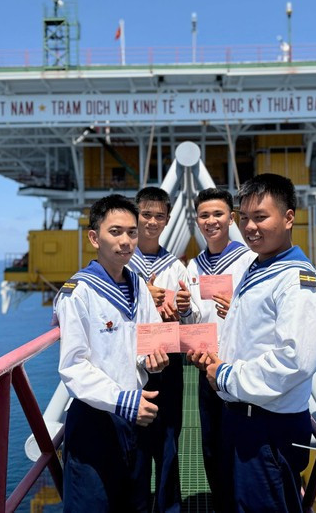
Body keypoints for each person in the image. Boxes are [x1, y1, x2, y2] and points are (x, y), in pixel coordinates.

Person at [196, 173, 316, 512]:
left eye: (261, 217)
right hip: (244, 417)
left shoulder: (296, 281)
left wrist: (226, 375)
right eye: (245, 218)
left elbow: (296, 360)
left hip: (266, 428)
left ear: (288, 218)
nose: (250, 227)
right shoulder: (261, 267)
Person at [54, 194, 170, 511]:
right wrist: (123, 400)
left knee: (136, 504)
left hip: (135, 417)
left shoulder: (137, 286)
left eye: (132, 232)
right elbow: (73, 366)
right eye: (115, 232)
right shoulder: (78, 293)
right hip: (96, 418)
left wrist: (151, 360)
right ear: (95, 238)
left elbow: (148, 337)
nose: (126, 241)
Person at [184, 187, 255, 513]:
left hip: (239, 368)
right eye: (204, 215)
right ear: (196, 220)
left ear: (231, 218)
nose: (211, 220)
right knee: (210, 444)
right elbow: (193, 320)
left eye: (218, 214)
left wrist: (239, 309)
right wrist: (183, 309)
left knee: (241, 446)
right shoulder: (193, 267)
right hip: (206, 367)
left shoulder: (249, 260)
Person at [128, 186, 190, 513]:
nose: (152, 222)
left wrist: (181, 309)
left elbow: (187, 315)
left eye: (159, 216)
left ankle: (169, 506)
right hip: (131, 362)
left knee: (169, 438)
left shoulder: (175, 267)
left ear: (167, 221)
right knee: (135, 441)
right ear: (136, 216)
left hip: (167, 360)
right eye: (146, 215)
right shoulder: (122, 261)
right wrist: (142, 295)